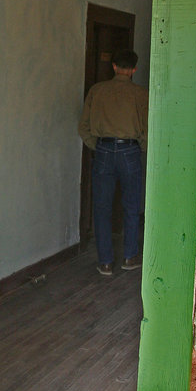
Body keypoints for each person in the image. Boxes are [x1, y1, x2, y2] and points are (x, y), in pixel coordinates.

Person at [78, 49, 148, 276]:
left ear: (114, 67)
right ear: (134, 69)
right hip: (130, 150)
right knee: (131, 205)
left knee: (102, 207)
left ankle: (106, 261)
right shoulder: (141, 94)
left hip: (104, 149)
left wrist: (96, 145)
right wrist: (140, 147)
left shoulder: (97, 91)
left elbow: (84, 126)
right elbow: (148, 128)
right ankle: (130, 256)